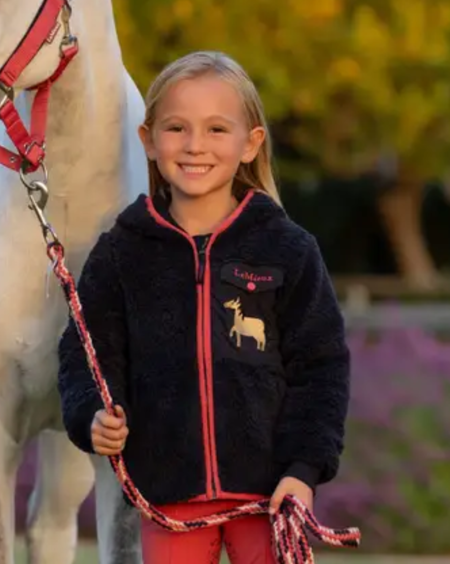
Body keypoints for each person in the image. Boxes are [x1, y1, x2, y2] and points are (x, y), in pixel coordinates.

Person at [57, 51, 350, 564]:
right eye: (177, 128)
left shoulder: (288, 249)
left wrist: (304, 470)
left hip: (270, 495)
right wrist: (93, 414)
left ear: (250, 143)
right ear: (149, 139)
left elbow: (321, 369)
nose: (195, 145)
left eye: (217, 129)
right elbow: (86, 354)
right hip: (169, 494)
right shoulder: (121, 253)